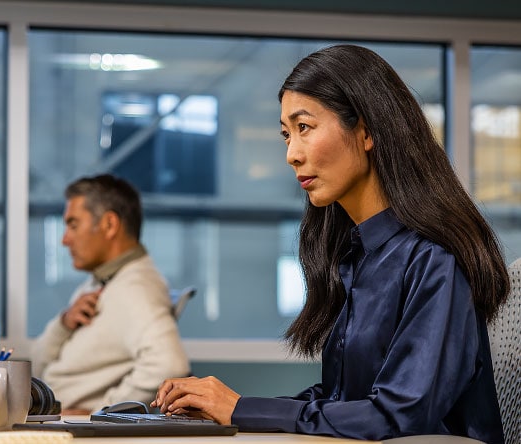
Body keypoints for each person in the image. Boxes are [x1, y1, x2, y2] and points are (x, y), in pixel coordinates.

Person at [151, 45, 509, 444]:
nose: (291, 154)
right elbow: (345, 402)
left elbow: (399, 415)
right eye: (286, 135)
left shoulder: (435, 258)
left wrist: (241, 408)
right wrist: (232, 408)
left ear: (367, 130)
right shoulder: (361, 255)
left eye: (304, 127)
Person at [31, 174, 189, 414]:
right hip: (51, 415)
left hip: (71, 429)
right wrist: (63, 325)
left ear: (109, 225)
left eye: (73, 225)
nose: (65, 239)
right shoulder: (100, 283)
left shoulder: (137, 287)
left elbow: (169, 364)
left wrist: (101, 414)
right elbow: (36, 364)